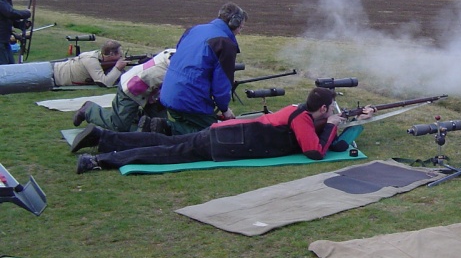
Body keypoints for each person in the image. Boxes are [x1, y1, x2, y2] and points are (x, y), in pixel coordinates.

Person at [72, 87, 375, 173]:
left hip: (227, 131)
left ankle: (103, 137)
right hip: (229, 143)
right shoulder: (303, 121)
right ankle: (100, 160)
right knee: (165, 153)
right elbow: (314, 152)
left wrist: (342, 122)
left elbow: (318, 135)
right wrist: (334, 127)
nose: (333, 114)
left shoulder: (297, 111)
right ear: (322, 110)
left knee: (164, 140)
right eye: (331, 110)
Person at [159, 2, 247, 135]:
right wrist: (225, 109)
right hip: (190, 101)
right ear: (234, 23)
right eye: (241, 27)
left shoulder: (194, 29)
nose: (239, 32)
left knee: (185, 138)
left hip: (169, 94)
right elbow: (221, 85)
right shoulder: (224, 43)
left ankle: (164, 131)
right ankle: (165, 128)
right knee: (211, 136)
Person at [73, 49, 175, 132]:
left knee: (160, 126)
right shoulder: (181, 63)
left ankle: (134, 116)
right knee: (119, 125)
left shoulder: (179, 55)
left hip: (153, 91)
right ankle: (89, 110)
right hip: (133, 86)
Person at [52, 40, 127, 87]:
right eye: (120, 53)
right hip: (52, 75)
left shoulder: (98, 57)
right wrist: (117, 68)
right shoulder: (91, 60)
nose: (121, 55)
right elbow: (104, 83)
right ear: (111, 54)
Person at [0, 0, 31, 65]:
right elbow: (9, 13)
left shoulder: (6, 0)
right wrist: (27, 13)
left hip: (4, 40)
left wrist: (22, 25)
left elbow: (10, 18)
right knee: (4, 68)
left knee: (11, 66)